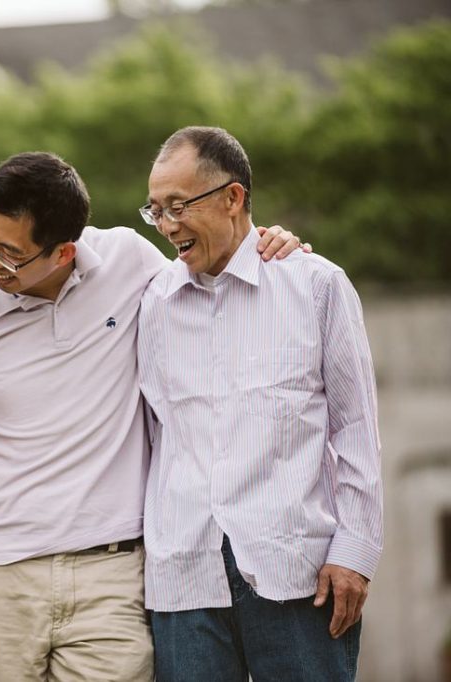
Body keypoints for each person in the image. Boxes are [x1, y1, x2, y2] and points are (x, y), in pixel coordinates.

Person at [0, 151, 305, 681]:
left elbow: (212, 274)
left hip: (113, 570)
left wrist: (270, 243)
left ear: (62, 252)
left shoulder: (130, 261)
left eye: (9, 253)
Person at [136, 126, 382, 681]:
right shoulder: (152, 303)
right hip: (184, 571)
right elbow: (154, 436)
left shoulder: (317, 285)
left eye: (179, 205)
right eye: (155, 211)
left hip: (298, 568)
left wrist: (356, 551)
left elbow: (357, 429)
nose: (168, 224)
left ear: (233, 197)